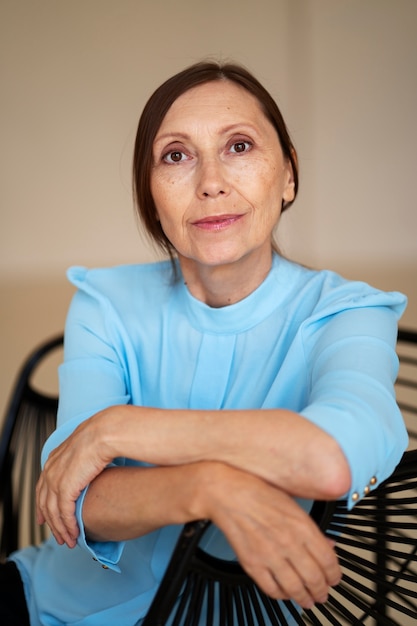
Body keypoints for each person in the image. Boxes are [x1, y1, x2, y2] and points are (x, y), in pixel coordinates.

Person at [2, 60, 408, 626]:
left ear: (288, 175)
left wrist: (115, 429)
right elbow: (80, 503)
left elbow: (328, 458)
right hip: (59, 607)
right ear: (150, 194)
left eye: (239, 146)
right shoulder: (106, 301)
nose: (211, 181)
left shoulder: (349, 313)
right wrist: (207, 486)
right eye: (176, 155)